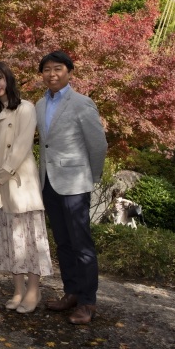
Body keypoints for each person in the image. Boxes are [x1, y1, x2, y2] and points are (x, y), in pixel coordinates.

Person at [36, 50, 107, 325]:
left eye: (58, 69)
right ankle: (72, 293)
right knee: (64, 243)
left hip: (75, 183)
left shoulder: (81, 103)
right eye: (47, 70)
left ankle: (88, 302)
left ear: (69, 72)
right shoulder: (39, 105)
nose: (52, 74)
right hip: (49, 182)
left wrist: (92, 177)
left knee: (81, 243)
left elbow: (97, 144)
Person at [0, 61, 53, 314]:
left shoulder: (25, 108)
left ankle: (33, 289)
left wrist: (0, 175)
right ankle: (17, 289)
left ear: (8, 79)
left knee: (29, 239)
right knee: (12, 240)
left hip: (20, 182)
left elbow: (22, 146)